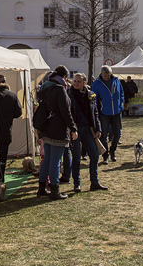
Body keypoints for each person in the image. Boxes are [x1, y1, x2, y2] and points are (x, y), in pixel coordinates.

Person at [35, 65, 77, 200]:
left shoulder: (44, 87)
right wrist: (73, 128)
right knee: (55, 160)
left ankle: (41, 188)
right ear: (64, 77)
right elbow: (66, 111)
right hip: (58, 128)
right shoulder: (59, 89)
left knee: (47, 159)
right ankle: (54, 190)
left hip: (45, 127)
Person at [67, 73, 107, 192]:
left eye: (79, 81)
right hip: (75, 128)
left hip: (88, 128)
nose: (76, 83)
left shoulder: (90, 95)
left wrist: (98, 128)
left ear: (84, 83)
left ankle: (94, 182)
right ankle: (76, 183)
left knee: (94, 155)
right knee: (76, 157)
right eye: (74, 81)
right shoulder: (69, 94)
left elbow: (95, 113)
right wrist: (70, 129)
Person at [91, 65, 125, 163]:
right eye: (105, 75)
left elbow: (121, 94)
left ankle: (112, 151)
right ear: (101, 74)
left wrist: (121, 106)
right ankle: (105, 156)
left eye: (108, 75)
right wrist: (97, 111)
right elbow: (94, 98)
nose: (107, 77)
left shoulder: (116, 81)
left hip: (116, 112)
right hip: (104, 113)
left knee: (117, 134)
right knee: (103, 135)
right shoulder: (97, 83)